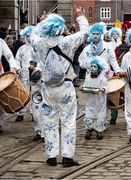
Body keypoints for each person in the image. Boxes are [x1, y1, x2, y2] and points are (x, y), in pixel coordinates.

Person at [30, 8, 89, 167]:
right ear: (61, 28)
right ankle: (67, 157)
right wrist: (79, 16)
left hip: (47, 89)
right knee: (68, 122)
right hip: (65, 87)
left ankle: (51, 156)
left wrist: (42, 21)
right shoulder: (68, 42)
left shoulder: (40, 43)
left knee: (49, 122)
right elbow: (85, 32)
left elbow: (32, 35)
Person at [80, 57, 109, 140]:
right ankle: (89, 129)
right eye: (92, 66)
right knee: (89, 115)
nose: (92, 68)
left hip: (100, 101)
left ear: (99, 68)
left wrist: (103, 89)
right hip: (90, 100)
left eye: (95, 67)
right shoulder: (88, 77)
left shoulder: (103, 79)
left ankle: (99, 130)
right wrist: (82, 87)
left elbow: (106, 87)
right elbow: (85, 85)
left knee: (100, 116)